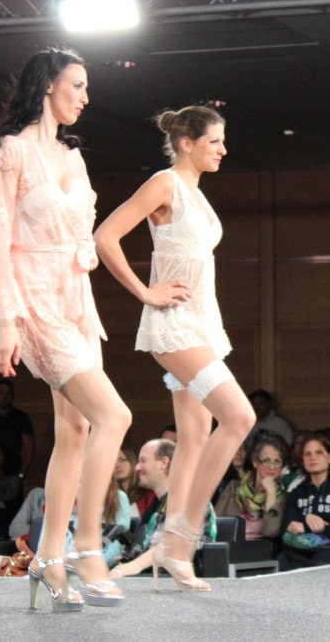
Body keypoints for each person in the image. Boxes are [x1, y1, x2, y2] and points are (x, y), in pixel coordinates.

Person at [0, 47, 131, 611]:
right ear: (47, 86)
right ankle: (86, 546)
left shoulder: (72, 155)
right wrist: (6, 319)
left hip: (77, 299)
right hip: (35, 301)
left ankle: (47, 558)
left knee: (76, 430)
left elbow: (83, 234)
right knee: (115, 415)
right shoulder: (10, 151)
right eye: (78, 85)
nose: (85, 97)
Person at [94, 105, 256, 591]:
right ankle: (181, 538)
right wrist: (146, 292)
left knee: (195, 435)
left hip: (202, 324)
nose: (223, 150)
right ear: (187, 144)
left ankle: (171, 547)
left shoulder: (196, 193)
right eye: (214, 142)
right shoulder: (164, 184)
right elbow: (105, 237)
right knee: (239, 417)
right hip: (175, 326)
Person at [109, 439, 216, 580]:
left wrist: (133, 566)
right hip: (151, 581)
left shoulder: (190, 500)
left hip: (177, 584)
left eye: (143, 461)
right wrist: (131, 557)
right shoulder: (156, 506)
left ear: (164, 463)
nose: (137, 467)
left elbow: (173, 546)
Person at [279, 433, 330, 570]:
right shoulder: (297, 492)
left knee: (321, 563)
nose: (312, 457)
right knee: (281, 559)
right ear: (302, 459)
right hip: (298, 549)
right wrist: (307, 518)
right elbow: (288, 525)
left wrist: (310, 526)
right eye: (307, 454)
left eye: (319, 452)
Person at [215, 433, 287, 541]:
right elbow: (215, 522)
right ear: (255, 462)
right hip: (229, 545)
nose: (272, 467)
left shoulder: (282, 496)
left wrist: (271, 492)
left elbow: (270, 531)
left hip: (257, 549)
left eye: (277, 462)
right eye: (266, 461)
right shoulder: (233, 487)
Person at [114, 446, 155, 519]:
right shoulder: (110, 497)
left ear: (132, 461)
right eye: (112, 462)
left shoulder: (149, 493)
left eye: (122, 460)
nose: (117, 465)